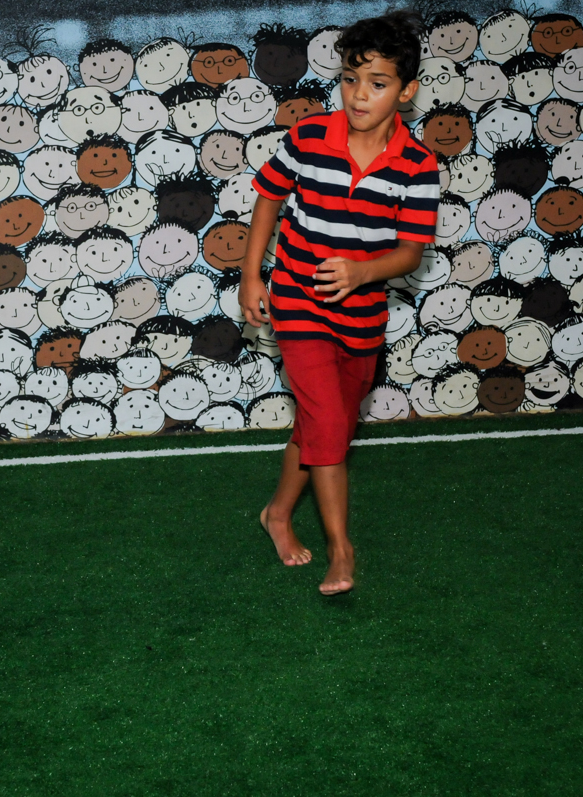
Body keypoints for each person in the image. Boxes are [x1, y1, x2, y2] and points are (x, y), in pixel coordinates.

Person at [239, 10, 438, 595]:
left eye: (377, 83)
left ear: (407, 92)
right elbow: (267, 201)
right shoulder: (306, 137)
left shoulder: (419, 165)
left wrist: (361, 271)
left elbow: (409, 253)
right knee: (327, 420)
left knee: (327, 426)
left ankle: (277, 512)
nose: (359, 95)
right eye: (351, 79)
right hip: (297, 299)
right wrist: (253, 277)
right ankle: (341, 550)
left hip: (361, 317)